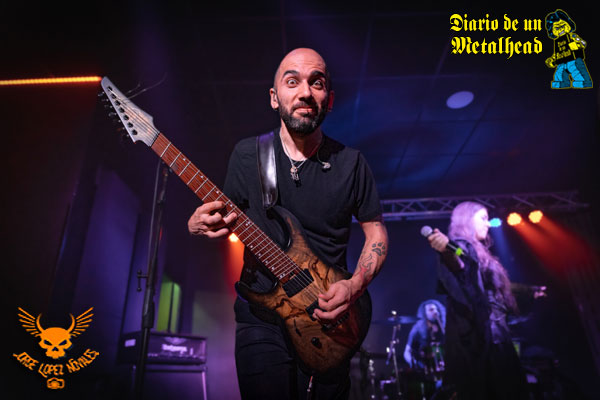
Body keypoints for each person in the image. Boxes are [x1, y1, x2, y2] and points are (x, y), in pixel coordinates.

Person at [188, 48, 388, 400]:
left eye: (317, 83)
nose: (305, 92)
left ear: (329, 100)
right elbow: (223, 220)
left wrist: (354, 286)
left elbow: (376, 232)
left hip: (329, 317)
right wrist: (199, 224)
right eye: (292, 81)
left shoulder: (352, 164)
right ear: (274, 97)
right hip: (262, 316)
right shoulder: (248, 155)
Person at [427, 201, 529, 400]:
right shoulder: (461, 245)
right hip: (483, 335)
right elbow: (462, 265)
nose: (488, 224)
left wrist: (530, 292)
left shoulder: (479, 250)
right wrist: (447, 250)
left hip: (494, 331)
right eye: (483, 218)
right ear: (466, 220)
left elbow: (496, 287)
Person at [403, 299, 446, 372]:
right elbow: (406, 352)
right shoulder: (416, 329)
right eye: (431, 310)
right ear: (424, 313)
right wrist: (416, 364)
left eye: (436, 309)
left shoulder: (443, 327)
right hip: (425, 366)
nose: (435, 312)